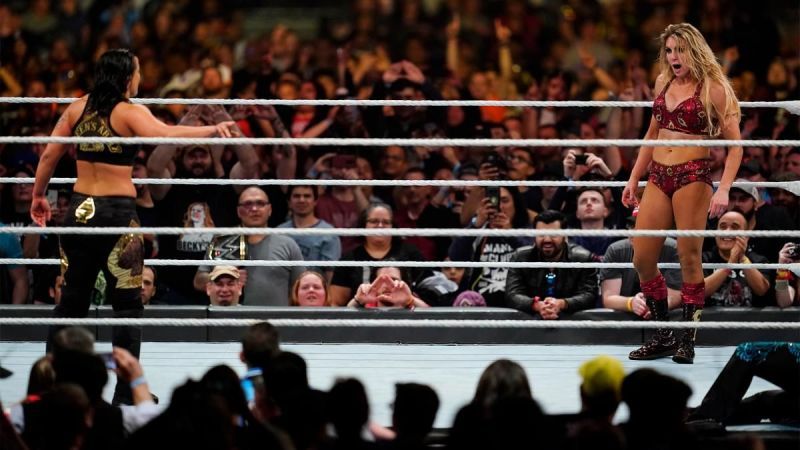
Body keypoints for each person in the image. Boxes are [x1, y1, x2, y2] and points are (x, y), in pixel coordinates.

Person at [29, 48, 236, 403]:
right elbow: (166, 134)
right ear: (127, 76)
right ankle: (126, 394)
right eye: (138, 72)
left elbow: (50, 153)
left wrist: (38, 195)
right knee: (126, 306)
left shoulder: (77, 108)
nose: (140, 79)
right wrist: (213, 129)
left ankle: (54, 387)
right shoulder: (128, 112)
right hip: (116, 214)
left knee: (71, 304)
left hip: (78, 211)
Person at [622, 24, 743, 364]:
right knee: (642, 257)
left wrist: (724, 189)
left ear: (695, 51)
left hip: (693, 176)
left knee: (689, 258)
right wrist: (633, 177)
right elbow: (652, 133)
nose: (674, 57)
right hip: (658, 175)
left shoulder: (714, 88)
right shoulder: (663, 82)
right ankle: (663, 335)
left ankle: (687, 341)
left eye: (680, 50)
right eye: (670, 51)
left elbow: (736, 148)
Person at [505, 210, 598, 319]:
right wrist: (537, 305)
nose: (547, 239)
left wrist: (561, 304)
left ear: (565, 236)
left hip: (572, 325)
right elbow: (512, 295)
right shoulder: (520, 257)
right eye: (541, 234)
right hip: (530, 324)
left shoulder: (583, 259)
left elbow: (589, 296)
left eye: (554, 234)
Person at [702, 210, 771, 307]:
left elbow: (761, 290)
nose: (727, 232)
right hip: (711, 320)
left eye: (734, 228)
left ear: (746, 236)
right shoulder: (704, 259)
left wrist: (742, 258)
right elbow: (700, 292)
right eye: (722, 227)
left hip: (748, 320)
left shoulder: (758, 260)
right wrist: (730, 264)